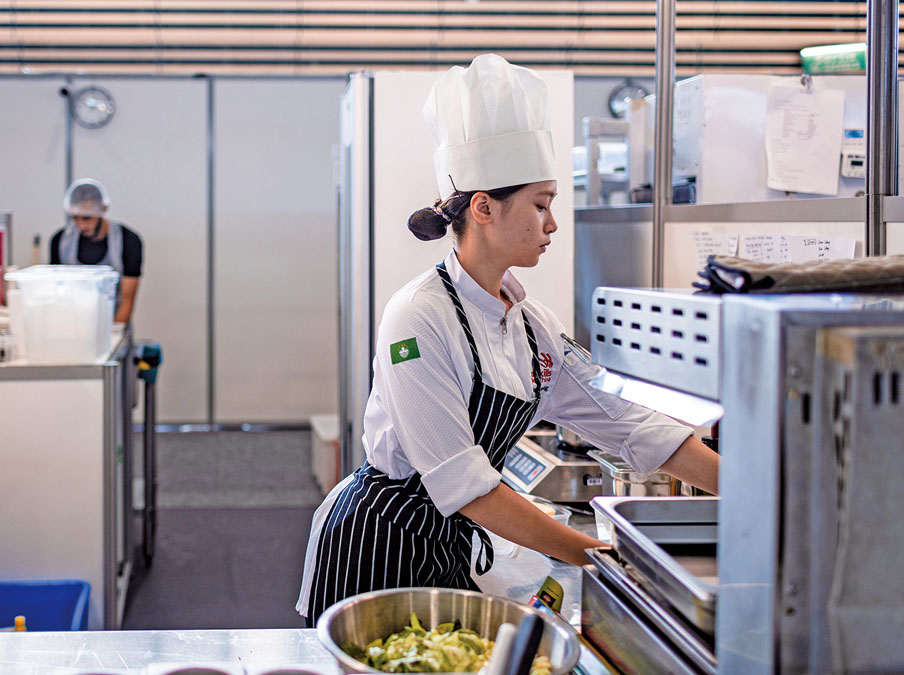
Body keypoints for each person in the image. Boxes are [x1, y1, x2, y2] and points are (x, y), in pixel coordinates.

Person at [296, 54, 719, 624]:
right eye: (541, 205)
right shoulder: (417, 318)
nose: (552, 224)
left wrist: (749, 491)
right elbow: (464, 484)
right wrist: (597, 555)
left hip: (450, 543)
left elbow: (626, 421)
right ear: (484, 208)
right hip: (378, 544)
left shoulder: (530, 323)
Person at [50, 178, 143, 324]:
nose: (81, 226)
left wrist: (114, 336)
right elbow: (55, 291)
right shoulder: (61, 241)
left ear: (102, 210)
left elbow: (127, 300)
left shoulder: (128, 241)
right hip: (72, 325)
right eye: (75, 218)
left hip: (113, 322)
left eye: (87, 218)